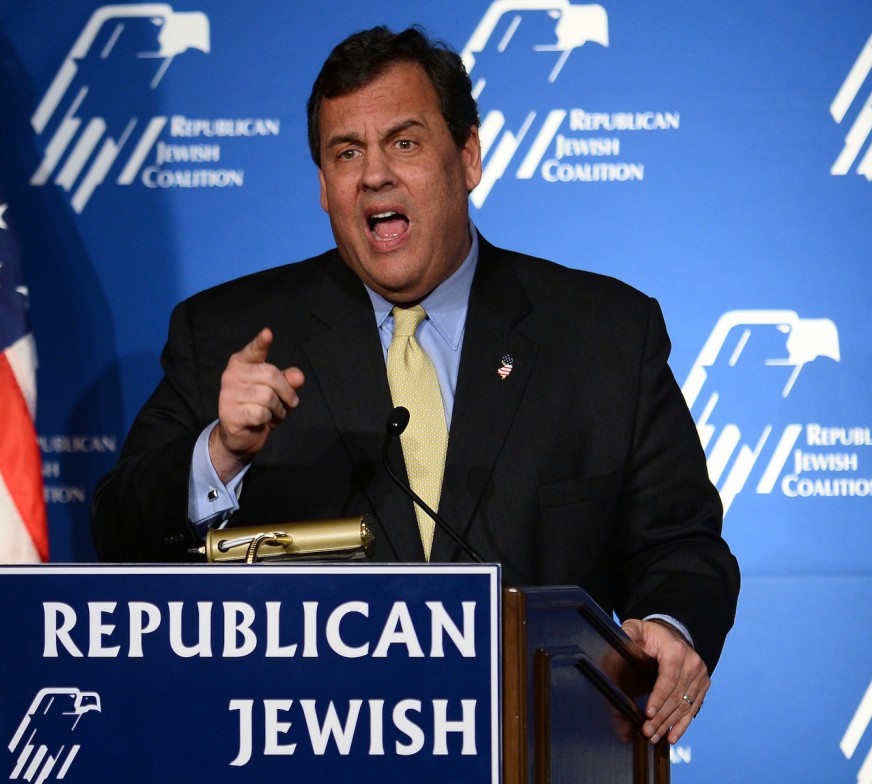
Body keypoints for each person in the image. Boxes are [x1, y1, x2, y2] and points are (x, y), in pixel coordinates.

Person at [92, 25, 739, 746]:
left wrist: (674, 629)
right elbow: (117, 535)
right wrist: (220, 455)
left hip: (541, 746)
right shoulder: (228, 335)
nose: (374, 176)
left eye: (404, 143)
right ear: (322, 187)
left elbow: (682, 546)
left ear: (467, 157)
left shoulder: (604, 336)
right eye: (346, 153)